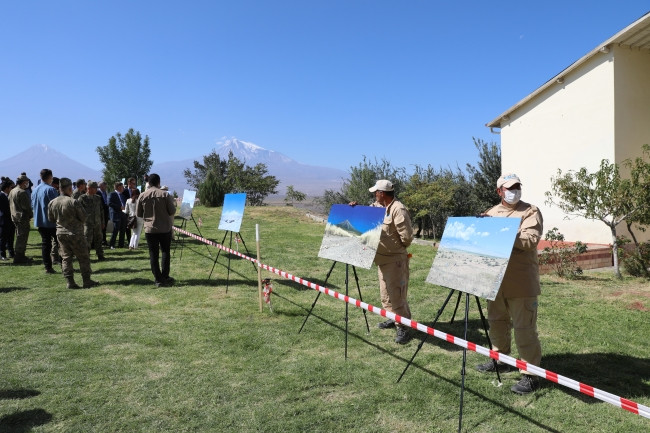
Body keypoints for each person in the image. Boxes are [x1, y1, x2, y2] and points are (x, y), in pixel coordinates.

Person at [475, 173, 544, 395]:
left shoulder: (530, 211)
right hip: (495, 279)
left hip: (520, 281)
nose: (514, 190)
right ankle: (500, 358)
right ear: (499, 191)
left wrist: (500, 232)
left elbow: (530, 240)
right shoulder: (491, 213)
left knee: (524, 328)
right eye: (509, 187)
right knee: (496, 322)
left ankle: (531, 374)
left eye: (516, 187)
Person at [353, 179, 414, 344]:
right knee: (385, 294)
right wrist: (355, 208)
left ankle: (403, 328)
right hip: (381, 259)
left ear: (383, 193)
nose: (374, 194)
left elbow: (407, 238)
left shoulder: (398, 209)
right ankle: (392, 318)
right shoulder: (377, 207)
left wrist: (394, 248)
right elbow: (366, 214)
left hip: (395, 260)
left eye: (376, 192)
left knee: (397, 295)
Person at [47, 177, 99, 289]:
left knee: (66, 258)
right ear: (70, 188)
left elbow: (51, 219)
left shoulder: (52, 202)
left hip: (60, 233)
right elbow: (84, 217)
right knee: (83, 257)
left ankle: (70, 281)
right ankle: (87, 280)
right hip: (75, 233)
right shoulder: (73, 202)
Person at [136, 173, 176, 287]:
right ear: (159, 182)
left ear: (148, 182)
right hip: (164, 228)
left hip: (150, 229)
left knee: (153, 254)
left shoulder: (142, 195)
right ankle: (165, 276)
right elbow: (172, 211)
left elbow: (139, 213)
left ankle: (158, 279)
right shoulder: (164, 194)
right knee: (165, 252)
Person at [31, 169, 60, 274]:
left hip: (40, 221)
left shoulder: (35, 189)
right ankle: (64, 265)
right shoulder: (51, 190)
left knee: (45, 245)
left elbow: (32, 205)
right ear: (50, 177)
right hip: (52, 222)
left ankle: (48, 267)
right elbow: (56, 206)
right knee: (60, 244)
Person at [9, 174, 33, 264]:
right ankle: (19, 256)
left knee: (19, 236)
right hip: (22, 217)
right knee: (22, 237)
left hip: (14, 216)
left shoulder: (12, 191)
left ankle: (20, 255)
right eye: (26, 182)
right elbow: (26, 206)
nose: (27, 184)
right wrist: (30, 214)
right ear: (23, 182)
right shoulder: (22, 192)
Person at [78, 181, 105, 261]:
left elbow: (101, 210)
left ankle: (100, 255)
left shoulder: (97, 198)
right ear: (89, 188)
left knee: (99, 239)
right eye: (95, 188)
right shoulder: (82, 198)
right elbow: (78, 211)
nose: (96, 190)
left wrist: (103, 222)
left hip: (97, 223)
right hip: (87, 223)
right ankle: (86, 256)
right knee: (87, 241)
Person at [0, 178, 16, 260]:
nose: (11, 189)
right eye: (10, 188)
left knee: (10, 238)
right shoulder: (1, 196)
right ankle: (2, 254)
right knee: (3, 238)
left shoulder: (8, 196)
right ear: (6, 188)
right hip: (4, 220)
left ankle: (11, 252)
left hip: (10, 220)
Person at [108, 182, 126, 249]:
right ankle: (112, 244)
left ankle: (121, 244)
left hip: (123, 214)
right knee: (115, 230)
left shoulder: (122, 195)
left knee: (123, 229)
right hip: (116, 214)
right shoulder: (112, 194)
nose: (123, 188)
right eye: (122, 187)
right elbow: (109, 203)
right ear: (118, 187)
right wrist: (119, 207)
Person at [97, 181, 109, 245]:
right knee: (100, 227)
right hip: (100, 212)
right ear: (101, 186)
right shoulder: (97, 192)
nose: (106, 187)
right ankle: (100, 240)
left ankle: (104, 240)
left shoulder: (105, 192)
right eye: (105, 186)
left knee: (105, 226)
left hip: (106, 211)